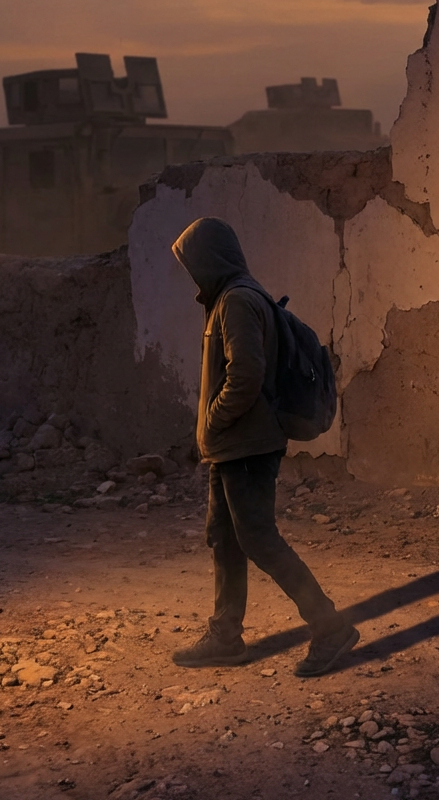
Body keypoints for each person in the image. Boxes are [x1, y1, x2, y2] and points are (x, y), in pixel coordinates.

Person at [169, 216, 358, 676]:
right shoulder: (230, 298)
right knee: (226, 539)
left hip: (247, 446)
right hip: (232, 447)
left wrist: (214, 420)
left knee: (258, 539)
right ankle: (225, 636)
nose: (190, 274)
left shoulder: (236, 301)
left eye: (192, 264)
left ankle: (330, 627)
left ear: (210, 260)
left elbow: (246, 375)